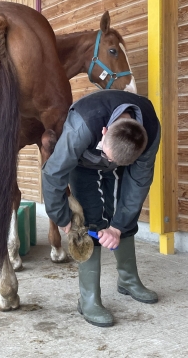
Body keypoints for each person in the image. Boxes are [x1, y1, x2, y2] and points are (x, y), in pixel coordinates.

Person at [42, 89, 161, 328]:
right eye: (109, 157)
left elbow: (139, 183)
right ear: (104, 132)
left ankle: (128, 280)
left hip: (120, 153)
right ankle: (88, 300)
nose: (110, 163)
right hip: (84, 162)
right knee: (89, 221)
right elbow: (53, 174)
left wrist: (117, 227)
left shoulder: (150, 131)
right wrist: (63, 218)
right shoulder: (82, 125)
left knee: (124, 214)